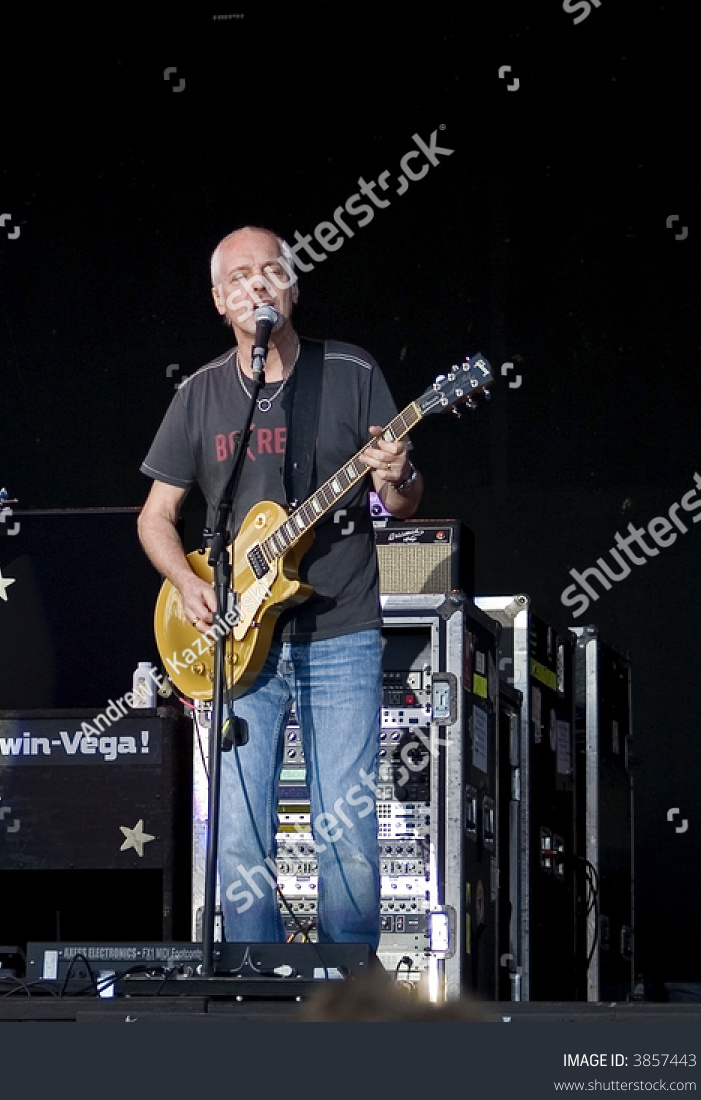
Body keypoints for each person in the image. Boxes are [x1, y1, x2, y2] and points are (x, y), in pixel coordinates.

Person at [138, 226, 422, 948]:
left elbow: (402, 500)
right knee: (237, 838)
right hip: (234, 640)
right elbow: (156, 518)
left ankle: (351, 1004)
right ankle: (251, 997)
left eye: (272, 271)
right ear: (218, 301)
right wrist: (186, 580)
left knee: (348, 834)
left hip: (342, 627)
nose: (257, 284)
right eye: (239, 276)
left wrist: (395, 477)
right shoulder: (200, 395)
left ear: (293, 288)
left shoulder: (352, 373)